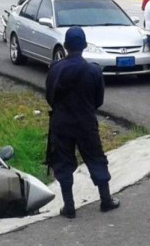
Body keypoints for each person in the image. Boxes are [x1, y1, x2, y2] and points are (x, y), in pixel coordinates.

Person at [45, 27, 120, 219]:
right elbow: (98, 100)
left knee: (63, 162)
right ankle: (105, 200)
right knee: (96, 158)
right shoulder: (93, 70)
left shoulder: (55, 68)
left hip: (60, 122)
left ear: (65, 46)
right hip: (85, 122)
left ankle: (69, 206)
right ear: (85, 45)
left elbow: (49, 97)